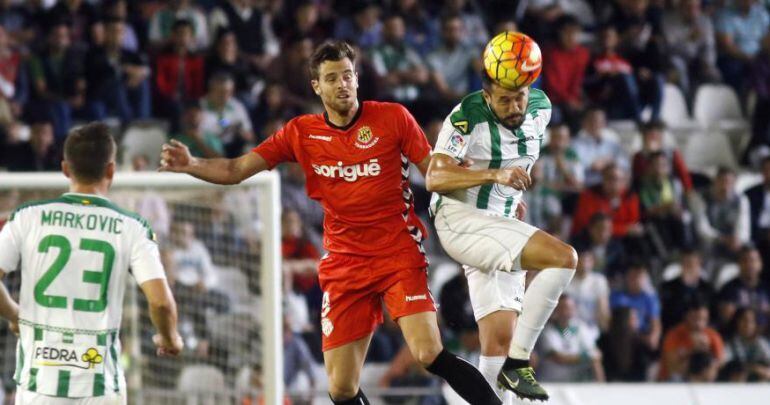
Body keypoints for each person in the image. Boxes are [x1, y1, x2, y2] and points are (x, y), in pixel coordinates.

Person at [159, 40, 502, 405]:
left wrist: (490, 196)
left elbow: (435, 175)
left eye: (348, 75)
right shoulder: (300, 133)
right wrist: (192, 164)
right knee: (340, 388)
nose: (343, 84)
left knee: (427, 352)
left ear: (357, 80)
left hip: (396, 251)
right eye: (332, 77)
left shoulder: (393, 118)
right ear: (316, 86)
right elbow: (235, 169)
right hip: (344, 262)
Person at [425, 38, 578, 401]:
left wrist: (509, 196)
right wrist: (494, 177)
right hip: (461, 221)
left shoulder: (542, 109)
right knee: (564, 258)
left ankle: (502, 379)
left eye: (520, 96)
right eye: (504, 99)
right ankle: (519, 364)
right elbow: (435, 177)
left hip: (500, 222)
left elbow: (518, 158)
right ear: (487, 93)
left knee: (497, 339)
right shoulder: (467, 115)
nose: (514, 106)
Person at [0, 123, 183, 403]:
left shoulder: (27, 216)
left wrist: (15, 314)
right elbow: (161, 303)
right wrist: (169, 338)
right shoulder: (132, 226)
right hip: (100, 386)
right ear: (111, 170)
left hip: (39, 384)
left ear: (65, 169)